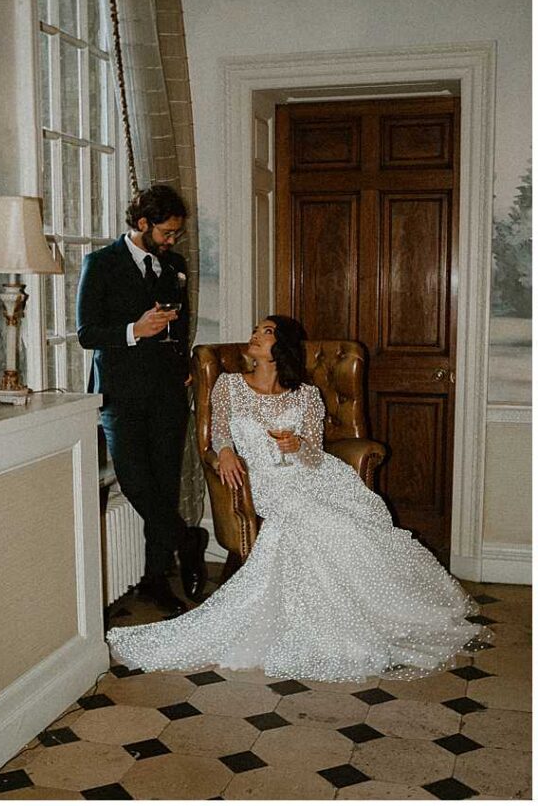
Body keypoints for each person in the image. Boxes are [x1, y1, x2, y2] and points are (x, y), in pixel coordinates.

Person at [108, 315, 485, 679]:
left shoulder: (306, 395)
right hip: (268, 482)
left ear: (281, 347)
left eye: (266, 332)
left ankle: (380, 612)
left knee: (348, 522)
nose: (255, 335)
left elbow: (314, 454)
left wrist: (297, 443)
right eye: (256, 330)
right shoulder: (228, 385)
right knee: (319, 522)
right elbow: (218, 432)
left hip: (314, 475)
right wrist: (224, 452)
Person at [76, 186, 208, 614]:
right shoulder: (100, 264)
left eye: (177, 234)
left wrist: (183, 361)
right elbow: (87, 334)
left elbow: (181, 321)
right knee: (134, 480)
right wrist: (135, 329)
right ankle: (188, 538)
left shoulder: (176, 265)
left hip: (169, 392)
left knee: (164, 486)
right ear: (143, 224)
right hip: (120, 393)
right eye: (167, 232)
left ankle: (156, 579)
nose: (173, 241)